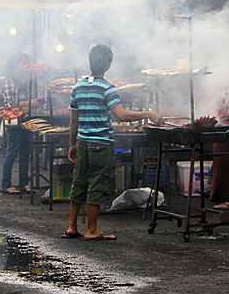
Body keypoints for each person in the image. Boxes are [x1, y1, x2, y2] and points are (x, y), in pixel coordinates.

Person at [63, 44, 163, 240]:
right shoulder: (108, 89)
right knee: (97, 183)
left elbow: (73, 120)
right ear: (108, 64)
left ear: (90, 61)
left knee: (80, 181)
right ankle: (91, 229)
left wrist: (72, 144)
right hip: (101, 144)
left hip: (82, 142)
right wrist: (149, 113)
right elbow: (122, 115)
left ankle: (72, 226)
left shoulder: (78, 87)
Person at [0, 52, 32, 195]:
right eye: (23, 64)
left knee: (25, 152)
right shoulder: (9, 82)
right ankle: (6, 184)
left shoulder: (24, 80)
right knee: (12, 151)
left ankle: (24, 183)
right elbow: (13, 104)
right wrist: (31, 103)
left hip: (25, 118)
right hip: (12, 118)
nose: (25, 67)